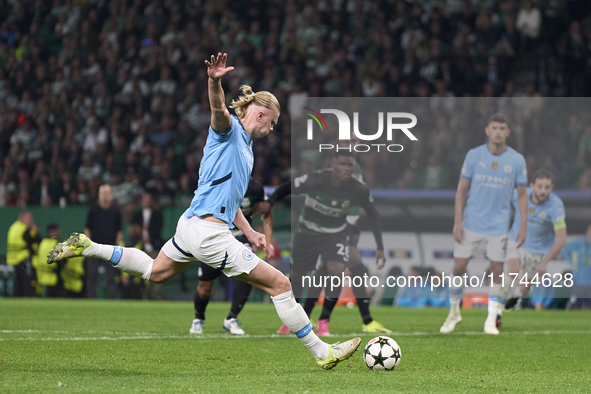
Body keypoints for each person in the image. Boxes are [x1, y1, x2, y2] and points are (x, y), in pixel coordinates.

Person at [48, 53, 360, 370]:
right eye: (274, 123)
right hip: (210, 235)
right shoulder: (228, 133)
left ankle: (89, 247)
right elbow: (218, 109)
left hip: (190, 224)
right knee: (280, 284)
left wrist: (250, 232)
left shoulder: (247, 151)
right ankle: (324, 353)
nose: (273, 130)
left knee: (156, 272)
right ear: (262, 114)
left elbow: (231, 199)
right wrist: (214, 81)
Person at [269, 150, 387, 336]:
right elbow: (287, 187)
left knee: (336, 270)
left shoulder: (358, 188)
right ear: (332, 165)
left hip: (335, 235)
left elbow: (373, 213)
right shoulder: (316, 180)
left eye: (349, 165)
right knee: (298, 276)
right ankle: (292, 320)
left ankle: (324, 320)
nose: (346, 168)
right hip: (307, 233)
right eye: (342, 164)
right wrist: (269, 203)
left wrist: (380, 247)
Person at [440, 113, 528, 335]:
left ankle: (490, 319)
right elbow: (461, 189)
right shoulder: (474, 155)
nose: (498, 132)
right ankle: (453, 313)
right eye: (494, 128)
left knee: (497, 269)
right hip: (471, 222)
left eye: (502, 128)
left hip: (499, 225)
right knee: (458, 267)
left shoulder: (517, 160)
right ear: (487, 130)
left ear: (508, 132)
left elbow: (522, 196)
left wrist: (523, 225)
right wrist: (457, 221)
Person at [190, 177, 274, 335]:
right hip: (215, 237)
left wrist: (268, 242)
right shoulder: (220, 181)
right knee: (204, 288)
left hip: (240, 237)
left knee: (248, 272)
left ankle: (231, 318)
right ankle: (198, 319)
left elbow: (267, 212)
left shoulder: (256, 188)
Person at [504, 169, 567, 312]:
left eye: (547, 187)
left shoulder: (555, 206)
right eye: (540, 186)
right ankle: (497, 307)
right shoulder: (519, 195)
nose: (543, 191)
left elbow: (562, 238)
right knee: (513, 271)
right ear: (531, 186)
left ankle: (515, 297)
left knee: (525, 288)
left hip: (539, 250)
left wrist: (544, 263)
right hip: (517, 240)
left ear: (552, 187)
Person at [84, 184, 123, 299]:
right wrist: (90, 244)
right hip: (94, 247)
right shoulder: (93, 209)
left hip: (110, 248)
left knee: (111, 276)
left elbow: (119, 230)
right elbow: (87, 228)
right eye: (103, 193)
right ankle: (91, 298)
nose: (105, 196)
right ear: (99, 195)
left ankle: (111, 299)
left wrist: (116, 244)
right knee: (91, 275)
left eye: (108, 193)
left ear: (111, 195)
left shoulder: (116, 210)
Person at [7, 211, 41, 297]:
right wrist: (34, 230)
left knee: (18, 282)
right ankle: (28, 299)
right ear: (22, 218)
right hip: (23, 258)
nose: (31, 221)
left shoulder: (13, 227)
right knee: (27, 282)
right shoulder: (23, 228)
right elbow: (31, 237)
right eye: (29, 218)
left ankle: (16, 299)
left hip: (14, 258)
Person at [561, 224, 591, 309]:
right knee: (576, 307)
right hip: (579, 281)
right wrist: (571, 263)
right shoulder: (580, 243)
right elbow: (565, 249)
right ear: (587, 232)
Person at [35, 223, 62, 297]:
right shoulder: (56, 244)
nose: (59, 232)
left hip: (41, 276)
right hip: (53, 277)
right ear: (53, 232)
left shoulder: (42, 242)